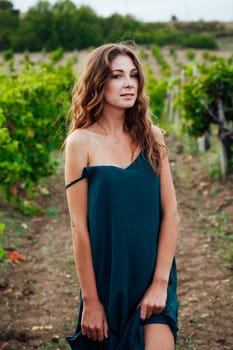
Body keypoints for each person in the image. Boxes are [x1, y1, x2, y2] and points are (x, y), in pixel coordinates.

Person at [64, 43, 179, 350]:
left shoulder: (152, 136)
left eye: (133, 75)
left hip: (151, 276)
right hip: (105, 279)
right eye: (117, 75)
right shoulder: (80, 142)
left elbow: (171, 214)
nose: (129, 83)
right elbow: (79, 228)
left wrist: (160, 284)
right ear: (98, 82)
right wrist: (91, 301)